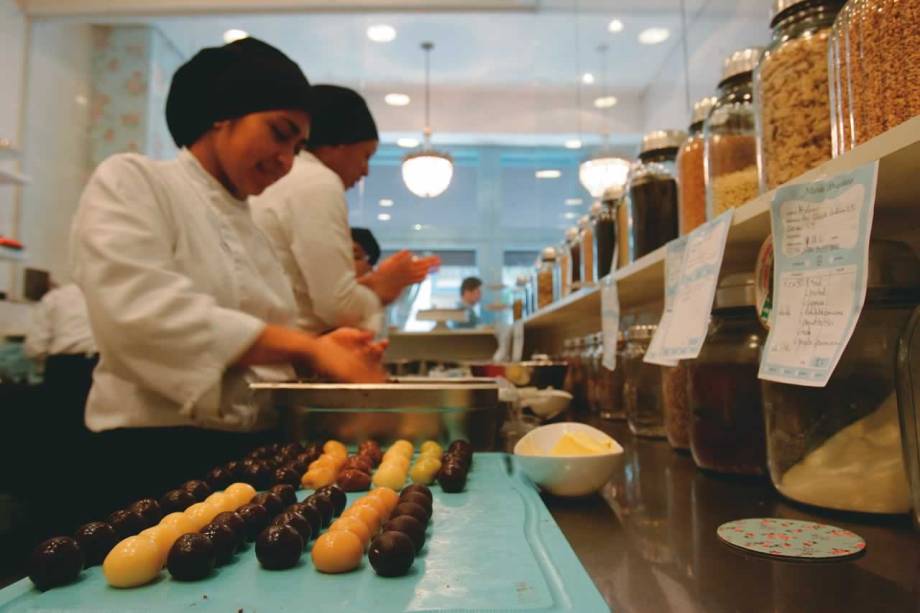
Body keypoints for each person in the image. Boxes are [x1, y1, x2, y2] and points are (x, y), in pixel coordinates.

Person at [68, 38, 384, 520]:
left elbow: (256, 357)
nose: (286, 159)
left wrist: (319, 355)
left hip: (248, 453)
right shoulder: (135, 181)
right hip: (150, 456)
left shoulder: (252, 228)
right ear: (222, 114)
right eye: (279, 134)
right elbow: (142, 314)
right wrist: (305, 347)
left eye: (298, 147)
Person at [251, 84, 439, 334]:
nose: (366, 171)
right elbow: (338, 306)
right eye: (365, 156)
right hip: (287, 355)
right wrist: (381, 289)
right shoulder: (316, 181)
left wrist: (372, 284)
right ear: (338, 145)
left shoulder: (292, 177)